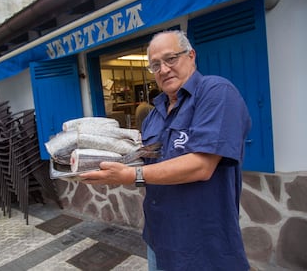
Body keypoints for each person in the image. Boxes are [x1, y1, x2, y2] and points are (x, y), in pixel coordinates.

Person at [80, 30, 251, 270]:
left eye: (171, 59)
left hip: (204, 244)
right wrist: (102, 165)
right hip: (158, 239)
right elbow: (147, 167)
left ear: (191, 55)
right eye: (155, 65)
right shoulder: (153, 114)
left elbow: (201, 166)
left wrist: (132, 175)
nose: (164, 69)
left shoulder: (216, 92)